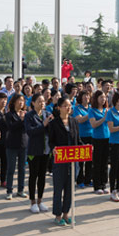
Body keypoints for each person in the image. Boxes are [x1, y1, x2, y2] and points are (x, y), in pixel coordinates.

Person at [48, 96, 81, 225]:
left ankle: (66, 214)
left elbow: (77, 140)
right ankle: (57, 215)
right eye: (65, 105)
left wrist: (86, 147)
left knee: (70, 188)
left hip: (73, 161)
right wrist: (54, 149)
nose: (68, 108)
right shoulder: (54, 123)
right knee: (58, 188)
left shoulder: (74, 122)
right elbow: (51, 142)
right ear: (59, 108)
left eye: (70, 106)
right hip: (60, 160)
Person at [25, 93, 53, 213]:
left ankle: (40, 200)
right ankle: (32, 201)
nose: (42, 103)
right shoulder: (29, 116)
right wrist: (44, 125)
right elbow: (30, 132)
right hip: (34, 150)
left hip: (46, 150)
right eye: (39, 101)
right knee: (33, 176)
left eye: (43, 101)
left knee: (42, 176)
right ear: (33, 103)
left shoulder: (47, 114)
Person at [4, 93, 29, 200]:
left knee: (22, 168)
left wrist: (24, 119)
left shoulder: (26, 114)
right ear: (13, 102)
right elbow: (11, 127)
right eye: (19, 100)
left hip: (23, 144)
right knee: (11, 168)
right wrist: (21, 120)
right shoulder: (9, 115)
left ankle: (20, 189)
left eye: (22, 101)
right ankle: (9, 190)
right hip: (12, 144)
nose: (21, 103)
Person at [89, 90, 110, 194]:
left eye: (104, 97)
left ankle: (104, 183)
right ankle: (97, 185)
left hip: (107, 138)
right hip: (97, 139)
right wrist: (104, 118)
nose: (103, 99)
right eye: (101, 97)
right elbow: (93, 124)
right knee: (97, 163)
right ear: (96, 99)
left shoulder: (106, 110)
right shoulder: (92, 110)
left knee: (105, 162)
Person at [73, 90, 93, 188]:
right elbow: (79, 120)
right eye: (85, 96)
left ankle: (88, 180)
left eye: (88, 96)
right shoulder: (77, 108)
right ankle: (79, 180)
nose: (86, 98)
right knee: (81, 160)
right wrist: (90, 115)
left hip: (92, 135)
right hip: (81, 136)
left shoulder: (91, 108)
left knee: (90, 160)